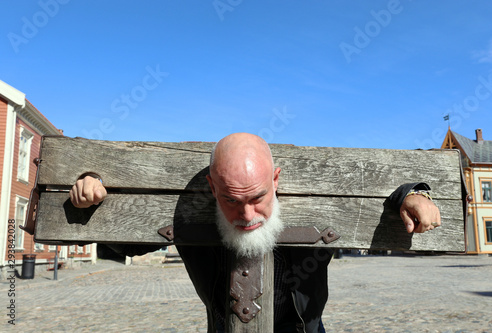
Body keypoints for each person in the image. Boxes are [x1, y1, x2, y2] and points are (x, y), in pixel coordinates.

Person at [69, 132, 441, 332]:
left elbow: (398, 172)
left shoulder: (321, 217)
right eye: (231, 199)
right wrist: (92, 190)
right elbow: (118, 243)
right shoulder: (186, 221)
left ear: (276, 181)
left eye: (258, 197)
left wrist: (412, 192)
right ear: (212, 189)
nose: (247, 214)